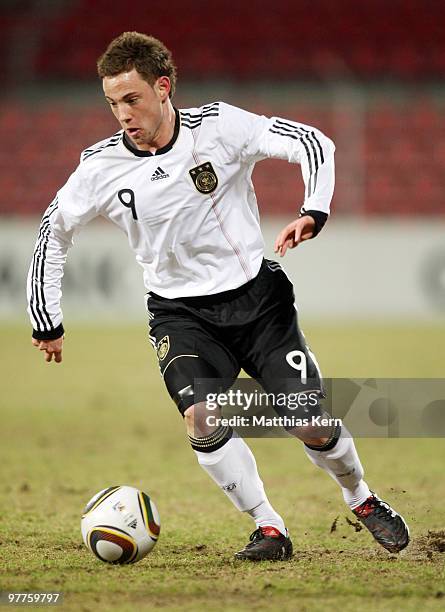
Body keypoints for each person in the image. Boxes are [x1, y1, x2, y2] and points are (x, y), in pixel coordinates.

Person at [27, 31, 409, 561]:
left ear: (164, 88)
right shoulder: (100, 166)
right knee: (202, 417)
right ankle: (268, 527)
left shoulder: (221, 127)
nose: (122, 114)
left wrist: (313, 209)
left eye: (132, 99)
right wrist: (46, 316)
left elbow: (314, 142)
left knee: (310, 423)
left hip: (258, 301)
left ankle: (360, 497)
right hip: (179, 314)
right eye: (113, 103)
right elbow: (54, 229)